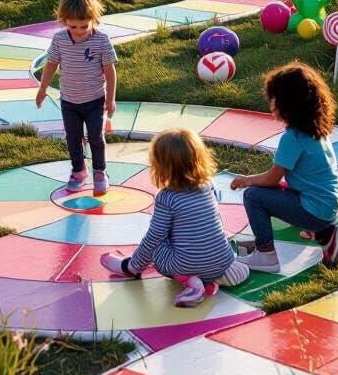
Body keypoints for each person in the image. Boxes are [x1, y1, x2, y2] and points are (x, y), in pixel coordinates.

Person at [99, 128, 248, 307]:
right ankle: (210, 281)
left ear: (161, 166)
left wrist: (134, 265)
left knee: (156, 243)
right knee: (213, 240)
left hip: (184, 264)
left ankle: (191, 282)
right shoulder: (208, 185)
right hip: (221, 262)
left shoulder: (167, 197)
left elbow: (155, 236)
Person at [231, 62, 338, 272]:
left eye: (274, 98)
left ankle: (265, 255)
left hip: (317, 210)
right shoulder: (316, 128)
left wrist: (246, 180)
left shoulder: (292, 138)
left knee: (253, 195)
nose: (271, 102)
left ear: (288, 103)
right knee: (283, 188)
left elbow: (272, 179)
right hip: (332, 202)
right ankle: (325, 234)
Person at [35, 0, 117, 196]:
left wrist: (111, 99)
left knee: (96, 136)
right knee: (73, 138)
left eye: (84, 26)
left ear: (93, 19)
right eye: (73, 26)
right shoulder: (60, 39)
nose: (79, 31)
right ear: (63, 21)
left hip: (95, 100)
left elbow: (110, 71)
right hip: (69, 101)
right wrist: (42, 88)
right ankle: (79, 171)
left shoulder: (101, 40)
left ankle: (100, 172)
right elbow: (51, 64)